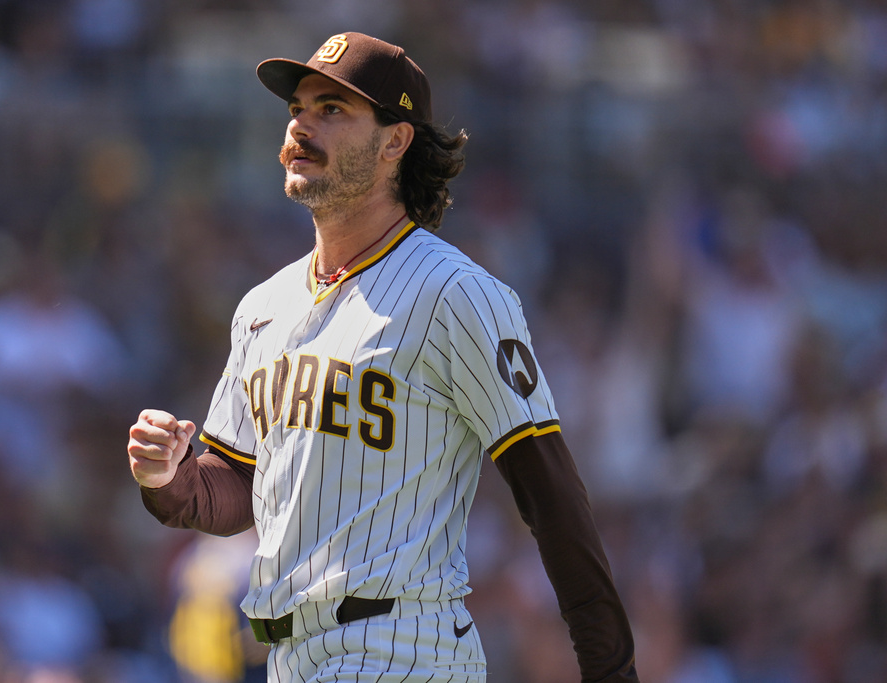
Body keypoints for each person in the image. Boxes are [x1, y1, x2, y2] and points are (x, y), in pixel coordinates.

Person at [127, 32, 639, 683]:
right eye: (298, 108)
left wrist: (610, 667)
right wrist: (168, 478)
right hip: (289, 655)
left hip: (403, 648)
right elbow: (233, 489)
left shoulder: (456, 293)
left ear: (395, 140)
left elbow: (551, 492)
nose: (302, 125)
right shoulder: (264, 305)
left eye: (333, 110)